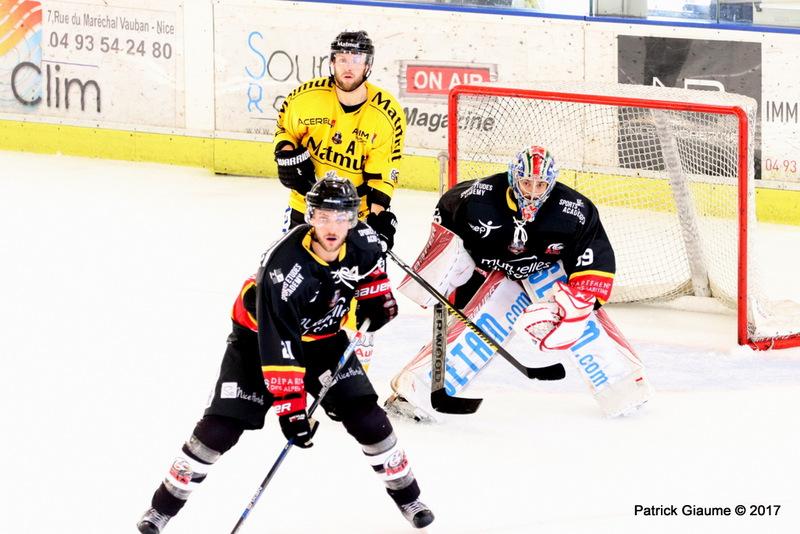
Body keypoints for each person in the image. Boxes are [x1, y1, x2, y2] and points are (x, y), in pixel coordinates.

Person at [137, 176, 434, 533]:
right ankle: (162, 508)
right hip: (258, 339)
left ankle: (409, 498)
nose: (332, 226)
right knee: (221, 428)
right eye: (323, 217)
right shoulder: (283, 268)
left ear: (354, 218)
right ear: (310, 216)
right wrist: (291, 410)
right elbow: (280, 349)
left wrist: (376, 297)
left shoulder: (365, 240)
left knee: (368, 419)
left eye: (341, 218)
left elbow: (369, 270)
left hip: (324, 339)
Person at [387, 145, 653, 420]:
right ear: (514, 178)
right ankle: (415, 393)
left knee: (581, 320)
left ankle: (623, 386)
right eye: (526, 182)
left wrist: (579, 301)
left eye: (541, 184)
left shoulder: (574, 209)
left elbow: (594, 254)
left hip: (546, 274)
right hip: (493, 271)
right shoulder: (478, 197)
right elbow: (445, 213)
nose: (532, 191)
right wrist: (450, 256)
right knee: (478, 331)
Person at [273, 30, 404, 252]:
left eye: (356, 59)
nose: (348, 67)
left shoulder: (386, 113)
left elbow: (380, 177)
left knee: (358, 282)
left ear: (367, 64)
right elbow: (286, 129)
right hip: (306, 207)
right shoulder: (305, 98)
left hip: (355, 214)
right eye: (342, 59)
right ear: (332, 62)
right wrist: (287, 153)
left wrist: (378, 218)